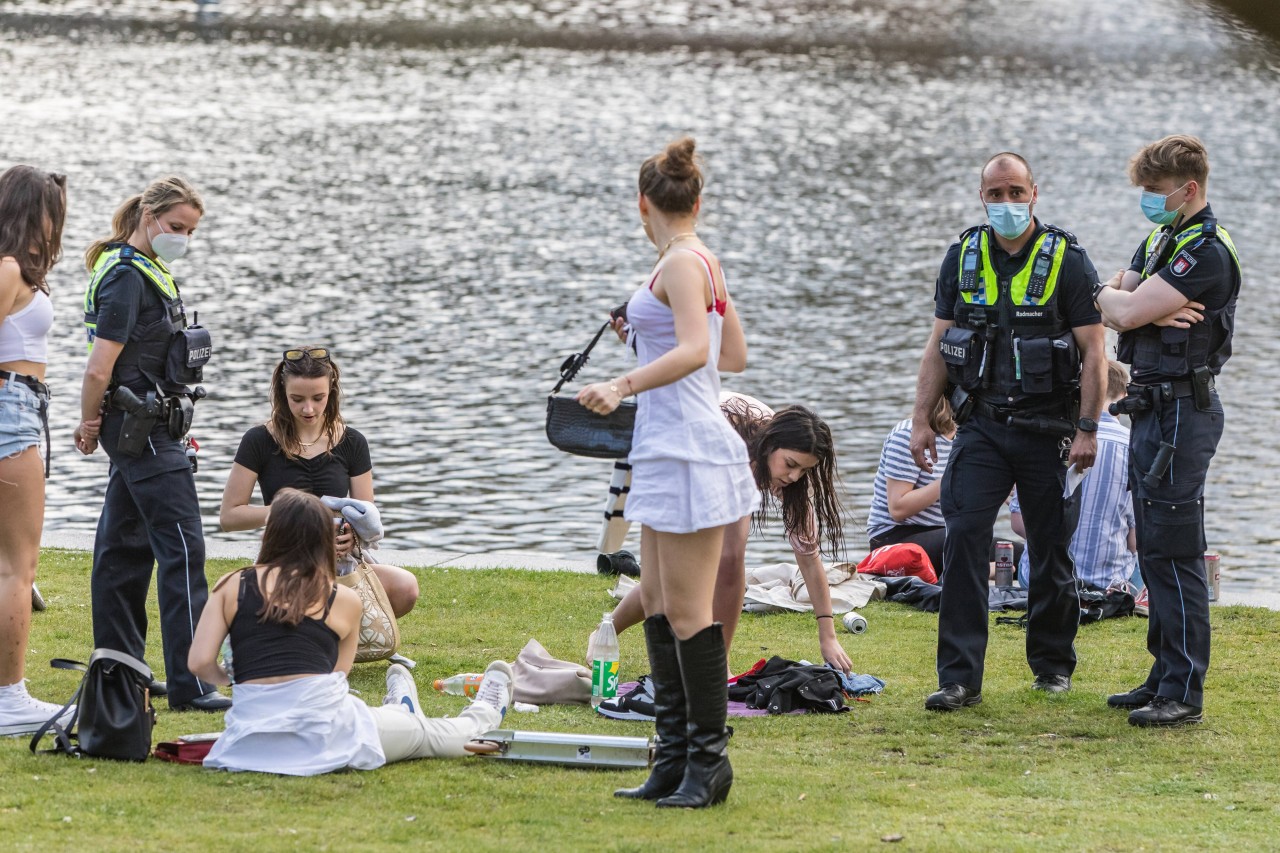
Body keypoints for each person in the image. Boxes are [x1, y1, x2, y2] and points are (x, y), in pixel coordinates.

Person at [576, 137, 753, 808]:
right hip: (665, 443)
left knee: (684, 610)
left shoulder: (683, 263)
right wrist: (645, 342)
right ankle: (672, 757)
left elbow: (696, 350)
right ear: (697, 200)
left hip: (686, 448)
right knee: (653, 597)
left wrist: (622, 380)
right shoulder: (700, 261)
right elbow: (729, 353)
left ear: (642, 203)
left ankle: (708, 764)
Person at [910, 152, 1107, 712]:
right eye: (995, 194)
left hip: (1048, 429)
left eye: (1015, 192)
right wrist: (922, 418)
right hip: (983, 427)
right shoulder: (962, 257)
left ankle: (1051, 667)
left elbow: (1095, 352)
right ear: (982, 196)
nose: (1006, 204)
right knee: (965, 535)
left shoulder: (1067, 261)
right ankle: (959, 680)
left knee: (1047, 546)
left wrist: (1088, 429)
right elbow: (939, 347)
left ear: (1034, 194)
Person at [191, 488, 512, 775]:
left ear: (270, 534)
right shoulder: (342, 598)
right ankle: (484, 713)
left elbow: (200, 663)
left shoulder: (232, 584)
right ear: (322, 539)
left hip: (246, 745)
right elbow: (337, 674)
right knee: (431, 735)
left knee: (395, 722)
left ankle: (399, 707)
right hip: (331, 741)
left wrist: (237, 678)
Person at [1093, 135, 1241, 727]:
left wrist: (1130, 305)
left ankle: (1184, 692)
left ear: (1190, 189)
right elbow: (1109, 295)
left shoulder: (1203, 250)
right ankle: (1161, 675)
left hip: (1184, 411)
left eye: (1156, 193)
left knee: (1176, 551)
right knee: (1151, 545)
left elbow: (1122, 311)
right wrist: (1125, 301)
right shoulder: (1162, 237)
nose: (1148, 203)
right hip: (1153, 409)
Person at [74, 176, 228, 712]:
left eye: (190, 230)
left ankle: (123, 673)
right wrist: (88, 422)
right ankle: (193, 684)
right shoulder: (126, 278)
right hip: (138, 431)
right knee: (184, 551)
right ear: (148, 217)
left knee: (121, 553)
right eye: (177, 226)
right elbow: (99, 367)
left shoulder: (142, 270)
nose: (182, 237)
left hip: (151, 428)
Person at [595, 393, 853, 708]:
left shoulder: (793, 479)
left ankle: (716, 663)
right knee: (675, 573)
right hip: (680, 452)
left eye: (803, 470)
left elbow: (810, 560)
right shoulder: (732, 436)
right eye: (790, 465)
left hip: (716, 460)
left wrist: (827, 635)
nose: (794, 476)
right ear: (770, 445)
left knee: (727, 562)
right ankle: (607, 634)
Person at [219, 347, 419, 617]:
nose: (308, 408)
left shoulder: (353, 442)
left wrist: (352, 538)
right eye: (297, 399)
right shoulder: (258, 440)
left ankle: (338, 639)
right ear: (282, 393)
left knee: (405, 587)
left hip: (340, 565)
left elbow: (365, 512)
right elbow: (229, 517)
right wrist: (289, 515)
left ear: (332, 390)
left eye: (318, 397)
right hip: (284, 561)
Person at [0, 165, 73, 736]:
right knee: (16, 568)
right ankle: (9, 700)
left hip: (19, 404)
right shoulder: (5, 269)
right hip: (10, 408)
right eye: (52, 213)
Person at [1011, 360, 1138, 592]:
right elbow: (1135, 541)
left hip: (1043, 578)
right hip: (1110, 583)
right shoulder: (1134, 447)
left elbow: (1019, 524)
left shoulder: (1051, 437)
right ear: (1124, 396)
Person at [866, 397, 955, 575]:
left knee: (1012, 552)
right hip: (895, 537)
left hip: (944, 533)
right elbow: (898, 508)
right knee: (971, 539)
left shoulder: (967, 437)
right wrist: (952, 477)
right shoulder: (908, 434)